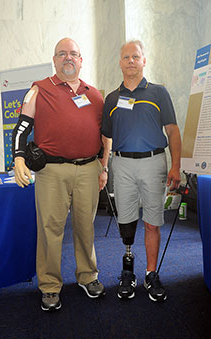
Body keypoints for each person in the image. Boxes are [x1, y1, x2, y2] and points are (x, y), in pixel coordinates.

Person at [12, 38, 110, 311]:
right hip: (51, 172)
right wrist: (18, 156)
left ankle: (88, 276)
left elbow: (105, 136)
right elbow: (22, 126)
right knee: (50, 229)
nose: (69, 58)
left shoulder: (94, 95)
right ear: (54, 60)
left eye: (74, 54)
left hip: (89, 169)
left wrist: (103, 165)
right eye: (62, 54)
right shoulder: (39, 89)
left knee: (85, 227)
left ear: (81, 60)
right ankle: (50, 286)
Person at [101, 40, 181, 302]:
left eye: (136, 56)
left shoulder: (159, 93)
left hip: (153, 162)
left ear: (144, 61)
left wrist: (176, 165)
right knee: (125, 221)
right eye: (126, 57)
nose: (131, 61)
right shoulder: (112, 99)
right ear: (120, 63)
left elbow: (172, 131)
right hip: (121, 164)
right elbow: (106, 137)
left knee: (153, 221)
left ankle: (150, 273)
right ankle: (127, 272)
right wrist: (104, 167)